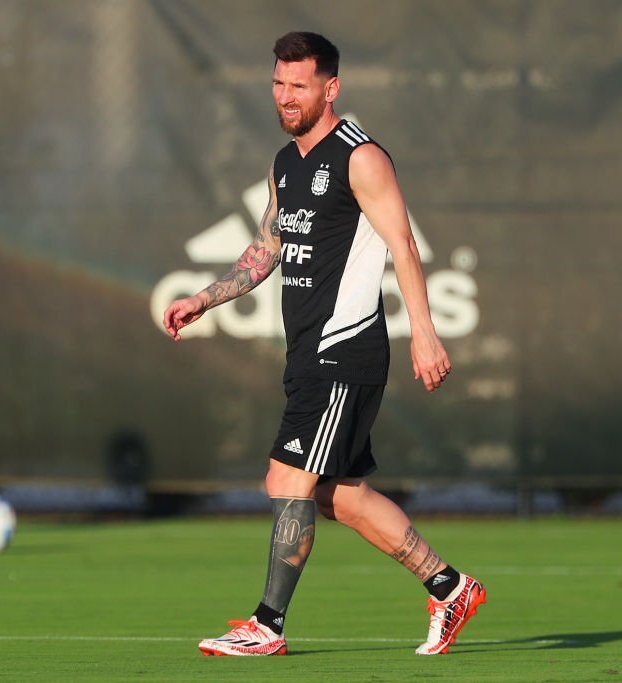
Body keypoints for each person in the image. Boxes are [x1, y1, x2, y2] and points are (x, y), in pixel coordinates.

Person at [162, 31, 485, 657]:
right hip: (306, 354)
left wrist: (424, 331)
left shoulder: (361, 157)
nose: (286, 97)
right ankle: (450, 587)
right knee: (340, 496)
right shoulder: (285, 162)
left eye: (299, 86)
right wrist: (205, 298)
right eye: (279, 84)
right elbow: (268, 249)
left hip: (345, 351)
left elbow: (403, 245)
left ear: (330, 88)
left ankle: (267, 625)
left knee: (286, 480)